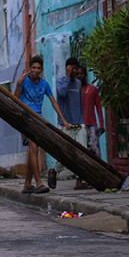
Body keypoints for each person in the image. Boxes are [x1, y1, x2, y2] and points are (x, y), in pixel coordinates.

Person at [14, 55, 70, 194]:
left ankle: (27, 184)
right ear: (30, 69)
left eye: (39, 68)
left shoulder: (44, 84)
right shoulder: (24, 81)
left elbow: (53, 102)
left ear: (42, 70)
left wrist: (63, 119)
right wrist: (18, 84)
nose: (36, 70)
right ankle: (38, 183)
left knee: (34, 150)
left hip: (38, 119)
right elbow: (14, 99)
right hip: (25, 117)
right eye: (33, 68)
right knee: (34, 147)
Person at [53, 57, 90, 190]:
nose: (75, 71)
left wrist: (82, 121)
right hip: (65, 124)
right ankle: (54, 171)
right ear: (67, 68)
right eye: (72, 69)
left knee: (82, 152)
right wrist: (68, 77)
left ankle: (79, 181)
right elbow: (62, 94)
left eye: (76, 69)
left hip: (79, 123)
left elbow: (79, 103)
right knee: (65, 152)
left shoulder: (79, 84)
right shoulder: (60, 82)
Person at [75, 67, 104, 157]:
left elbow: (99, 107)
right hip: (78, 126)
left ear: (86, 75)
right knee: (81, 152)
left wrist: (102, 125)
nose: (80, 76)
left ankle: (97, 170)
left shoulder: (93, 89)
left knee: (95, 151)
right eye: (77, 74)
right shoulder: (73, 91)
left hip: (92, 125)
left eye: (82, 73)